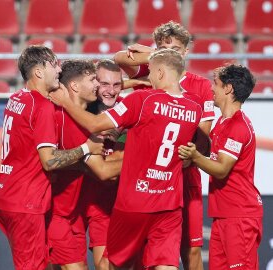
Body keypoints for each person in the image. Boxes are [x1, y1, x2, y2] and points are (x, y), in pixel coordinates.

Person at [49, 49, 205, 270]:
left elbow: (95, 126)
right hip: (169, 202)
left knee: (110, 264)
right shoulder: (195, 106)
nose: (148, 78)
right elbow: (202, 142)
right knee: (166, 264)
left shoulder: (140, 101)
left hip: (135, 201)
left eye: (150, 72)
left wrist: (66, 102)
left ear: (160, 73)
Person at [0, 45, 103, 270]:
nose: (59, 70)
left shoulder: (16, 98)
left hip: (5, 194)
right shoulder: (41, 107)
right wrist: (85, 148)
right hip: (26, 201)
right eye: (54, 64)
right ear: (39, 72)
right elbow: (49, 161)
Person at [114, 21, 215, 270]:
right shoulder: (152, 73)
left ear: (187, 51)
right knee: (141, 251)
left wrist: (185, 157)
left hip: (183, 178)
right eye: (163, 46)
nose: (169, 51)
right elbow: (117, 58)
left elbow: (204, 134)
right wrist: (156, 56)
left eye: (176, 48)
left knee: (191, 250)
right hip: (146, 179)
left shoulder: (201, 85)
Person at [178, 64, 263, 270]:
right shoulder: (222, 122)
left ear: (228, 89)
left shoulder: (237, 126)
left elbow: (222, 168)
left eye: (215, 84)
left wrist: (194, 156)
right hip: (223, 214)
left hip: (239, 216)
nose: (211, 90)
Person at [48, 59, 123, 270]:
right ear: (74, 86)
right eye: (94, 80)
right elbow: (103, 172)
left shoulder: (90, 118)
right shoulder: (64, 120)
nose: (99, 86)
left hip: (77, 213)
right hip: (58, 214)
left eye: (115, 84)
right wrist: (145, 157)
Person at [84, 59, 125, 270]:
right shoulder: (81, 109)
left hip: (117, 205)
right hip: (85, 203)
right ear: (94, 83)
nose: (111, 90)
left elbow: (115, 168)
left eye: (116, 84)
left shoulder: (129, 113)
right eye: (105, 84)